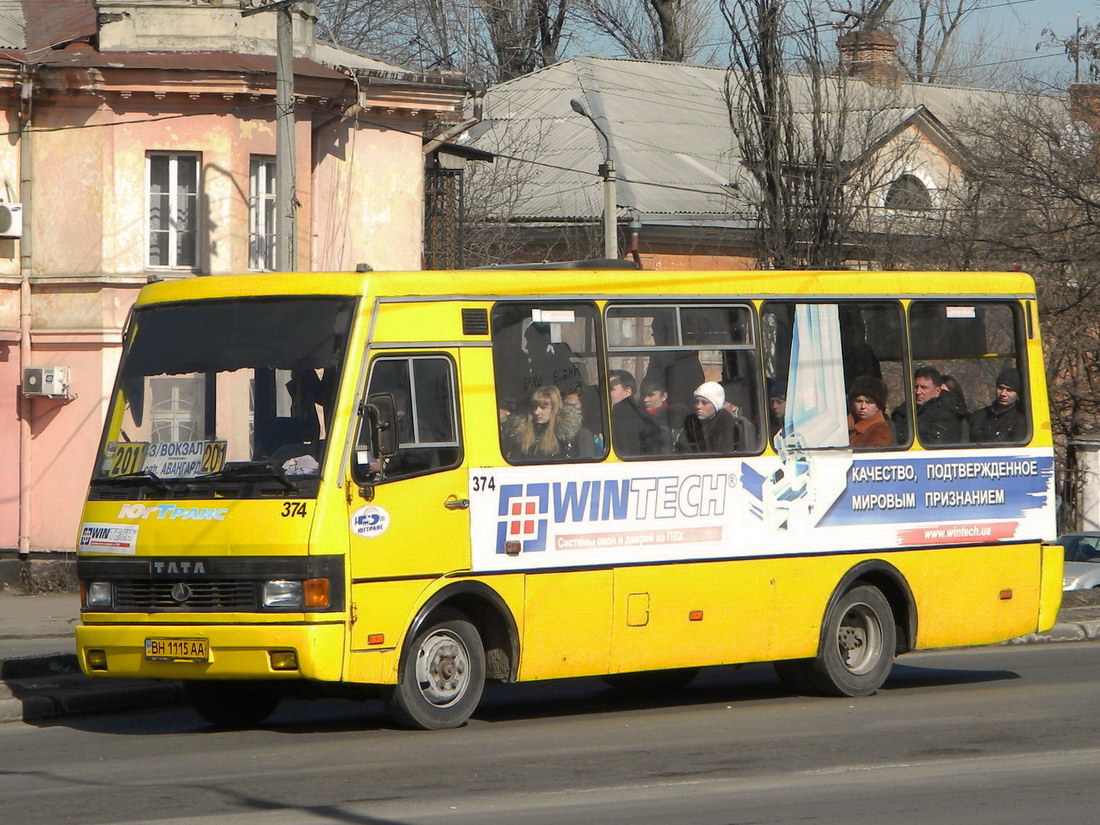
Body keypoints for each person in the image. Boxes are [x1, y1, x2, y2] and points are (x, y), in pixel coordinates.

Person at [501, 385, 590, 460]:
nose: (537, 412)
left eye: (543, 408)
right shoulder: (520, 432)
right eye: (535, 407)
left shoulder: (565, 435)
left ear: (554, 409)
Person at [893, 366, 967, 445]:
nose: (918, 392)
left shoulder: (949, 413)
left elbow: (937, 443)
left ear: (938, 391)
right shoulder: (903, 412)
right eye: (916, 387)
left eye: (924, 388)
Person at [676, 382, 743, 454]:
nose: (699, 406)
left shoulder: (725, 424)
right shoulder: (690, 422)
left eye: (704, 402)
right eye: (697, 402)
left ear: (716, 405)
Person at [969, 367, 1028, 443]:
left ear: (1017, 394)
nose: (1003, 394)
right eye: (1000, 388)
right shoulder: (980, 416)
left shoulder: (1021, 420)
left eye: (1009, 390)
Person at [609, 369, 657, 456]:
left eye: (611, 389)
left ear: (628, 392)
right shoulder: (612, 415)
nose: (607, 393)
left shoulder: (625, 420)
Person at [847, 375, 892, 448]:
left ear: (878, 406)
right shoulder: (844, 425)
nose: (863, 406)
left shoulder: (881, 430)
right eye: (859, 401)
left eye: (869, 402)